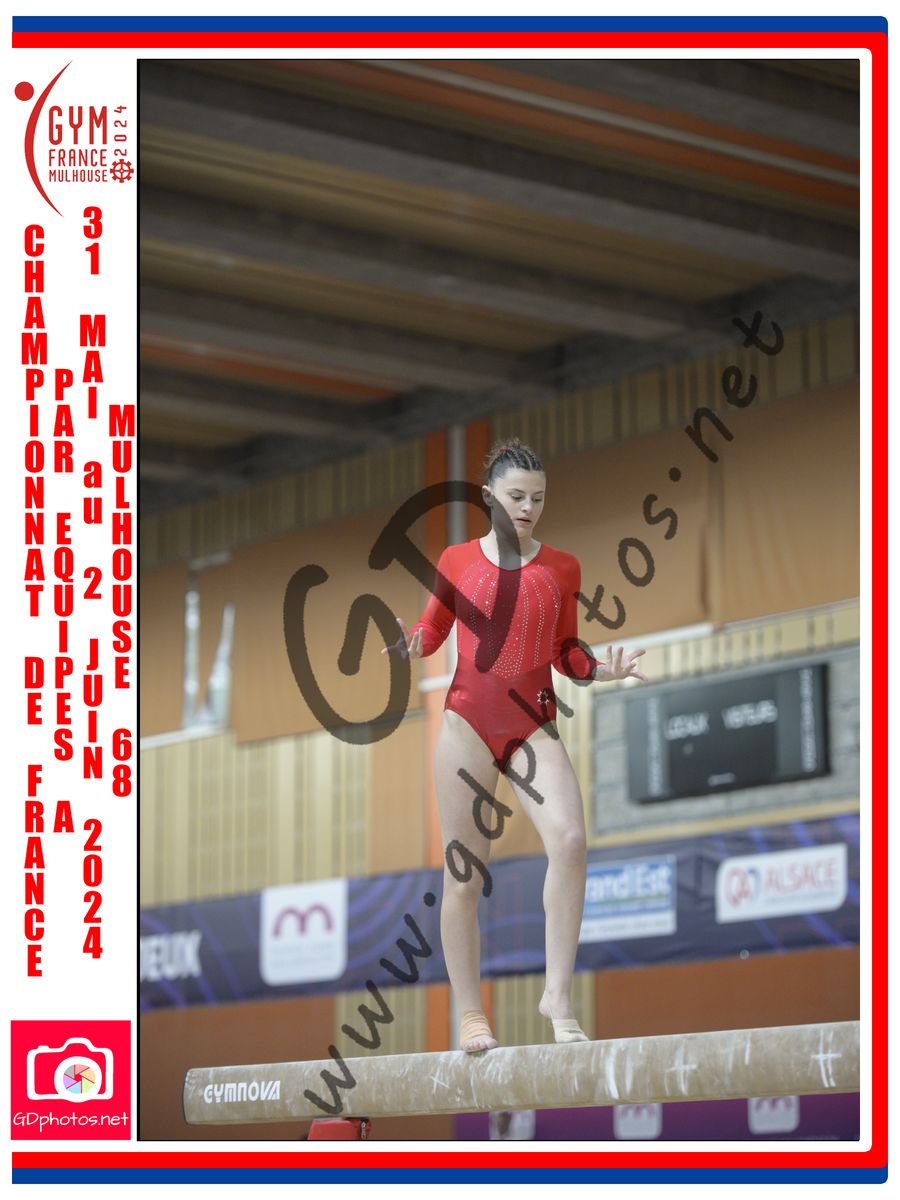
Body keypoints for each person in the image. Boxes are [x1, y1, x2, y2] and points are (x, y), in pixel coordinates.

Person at [382, 438, 648, 1052]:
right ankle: (471, 1015)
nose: (528, 508)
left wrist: (600, 670)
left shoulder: (562, 568)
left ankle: (557, 997)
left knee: (571, 840)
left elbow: (567, 651)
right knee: (464, 877)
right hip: (466, 729)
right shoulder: (457, 560)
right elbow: (432, 628)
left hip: (532, 725)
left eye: (538, 499)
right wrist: (412, 644)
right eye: (516, 497)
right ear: (489, 497)